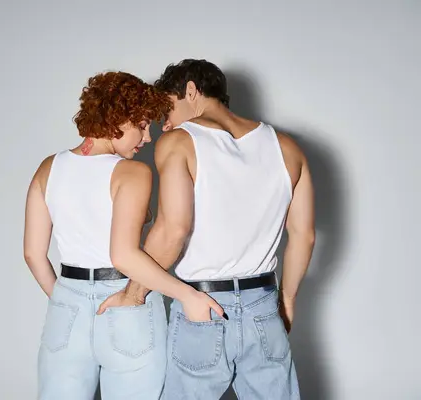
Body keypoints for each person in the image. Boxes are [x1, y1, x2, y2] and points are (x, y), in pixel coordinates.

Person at [100, 59, 315, 399]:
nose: (163, 125)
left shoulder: (179, 143)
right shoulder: (287, 148)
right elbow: (304, 235)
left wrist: (134, 293)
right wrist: (286, 299)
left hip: (202, 307)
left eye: (167, 111)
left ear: (191, 91)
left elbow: (174, 229)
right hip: (263, 306)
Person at [23, 71, 224, 400]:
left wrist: (66, 301)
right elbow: (124, 256)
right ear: (119, 117)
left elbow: (33, 253)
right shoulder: (132, 172)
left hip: (66, 309)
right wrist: (188, 295)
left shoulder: (49, 167)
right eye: (143, 124)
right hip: (128, 305)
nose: (147, 137)